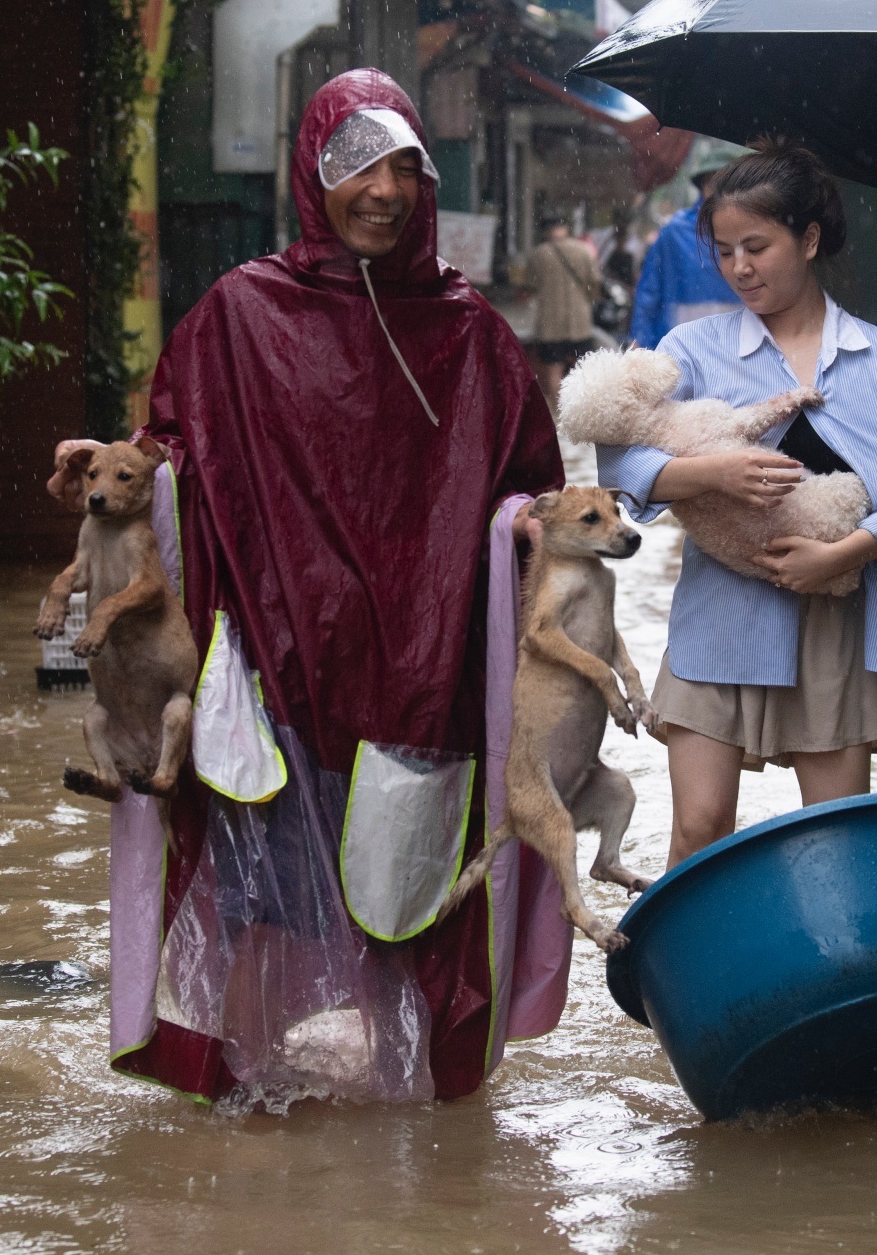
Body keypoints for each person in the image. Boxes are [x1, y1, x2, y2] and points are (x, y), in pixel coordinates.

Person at [123, 70, 568, 1109]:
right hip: (280, 670)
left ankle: (403, 1145)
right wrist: (109, 473)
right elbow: (167, 458)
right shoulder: (238, 314)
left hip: (422, 680)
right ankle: (245, 1131)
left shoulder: (468, 331)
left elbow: (531, 486)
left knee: (404, 904)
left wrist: (523, 526)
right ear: (310, 175)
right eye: (355, 163)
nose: (382, 188)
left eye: (403, 164)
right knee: (261, 911)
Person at [600, 143, 877, 865]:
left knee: (835, 843)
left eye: (756, 246)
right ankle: (680, 978)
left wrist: (842, 554)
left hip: (834, 618)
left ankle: (829, 974)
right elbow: (621, 458)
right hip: (722, 607)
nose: (740, 268)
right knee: (698, 831)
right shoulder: (692, 349)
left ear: (809, 239)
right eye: (725, 251)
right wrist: (713, 474)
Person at [628, 166, 742, 349]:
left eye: (729, 184)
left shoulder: (750, 232)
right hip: (680, 346)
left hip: (736, 343)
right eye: (713, 183)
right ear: (702, 186)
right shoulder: (675, 232)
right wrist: (639, 339)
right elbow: (650, 290)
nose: (721, 191)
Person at [524, 215, 603, 412]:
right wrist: (587, 297)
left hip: (551, 323)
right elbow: (595, 282)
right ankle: (584, 410)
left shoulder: (538, 254)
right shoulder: (583, 251)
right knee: (584, 369)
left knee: (553, 368)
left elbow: (529, 288)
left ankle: (561, 414)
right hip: (580, 321)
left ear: (545, 231)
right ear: (566, 228)